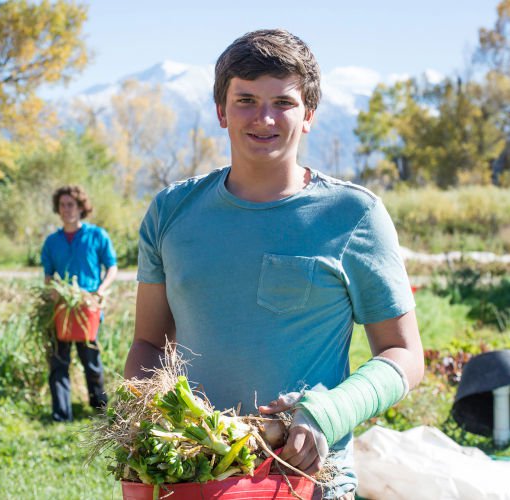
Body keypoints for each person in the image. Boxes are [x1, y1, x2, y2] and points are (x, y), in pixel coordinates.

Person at [124, 29, 423, 499]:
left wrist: (329, 411)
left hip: (306, 479)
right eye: (245, 99)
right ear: (221, 111)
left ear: (309, 116)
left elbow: (404, 355)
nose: (263, 118)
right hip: (194, 476)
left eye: (283, 102)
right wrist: (140, 434)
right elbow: (149, 342)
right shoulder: (171, 212)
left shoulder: (354, 215)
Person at [41, 185, 118, 422]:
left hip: (88, 309)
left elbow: (112, 267)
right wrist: (53, 291)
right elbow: (48, 276)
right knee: (59, 363)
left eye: (71, 205)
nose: (66, 209)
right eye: (62, 205)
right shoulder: (52, 242)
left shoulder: (97, 236)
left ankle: (99, 409)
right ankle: (61, 414)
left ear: (81, 207)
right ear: (58, 208)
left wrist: (100, 291)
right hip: (62, 310)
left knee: (92, 364)